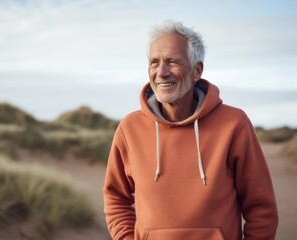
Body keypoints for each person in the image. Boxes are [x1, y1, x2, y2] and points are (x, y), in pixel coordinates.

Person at [103, 19, 278, 240]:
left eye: (172, 61)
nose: (162, 72)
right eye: (154, 62)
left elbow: (261, 208)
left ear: (197, 71)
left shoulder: (234, 123)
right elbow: (115, 198)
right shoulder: (129, 128)